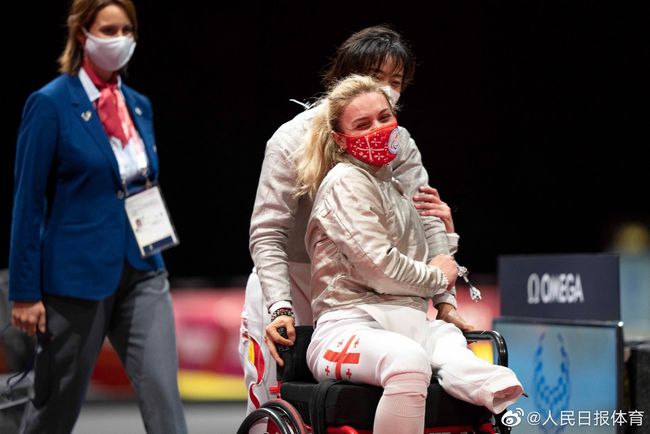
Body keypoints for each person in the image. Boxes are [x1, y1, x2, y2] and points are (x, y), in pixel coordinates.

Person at [240, 25, 472, 413]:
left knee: (352, 407)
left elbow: (428, 214)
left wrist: (445, 301)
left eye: (395, 81)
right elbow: (267, 233)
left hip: (364, 291)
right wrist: (280, 307)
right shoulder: (291, 140)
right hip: (294, 281)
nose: (385, 89)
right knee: (275, 404)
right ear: (343, 78)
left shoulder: (399, 142)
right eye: (375, 76)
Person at [300, 74, 523, 434]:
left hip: (409, 323)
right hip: (347, 328)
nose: (378, 128)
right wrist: (438, 277)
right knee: (408, 361)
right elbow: (380, 268)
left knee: (453, 348)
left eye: (384, 117)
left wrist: (447, 238)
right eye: (363, 124)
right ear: (340, 139)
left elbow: (434, 260)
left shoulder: (397, 185)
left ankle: (489, 386)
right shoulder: (345, 182)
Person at [8, 1, 187, 432]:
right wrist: (25, 293)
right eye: (108, 29)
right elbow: (28, 202)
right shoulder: (51, 104)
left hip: (143, 269)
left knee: (165, 398)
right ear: (81, 33)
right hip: (76, 278)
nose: (119, 39)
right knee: (55, 409)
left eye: (127, 30)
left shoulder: (138, 105)